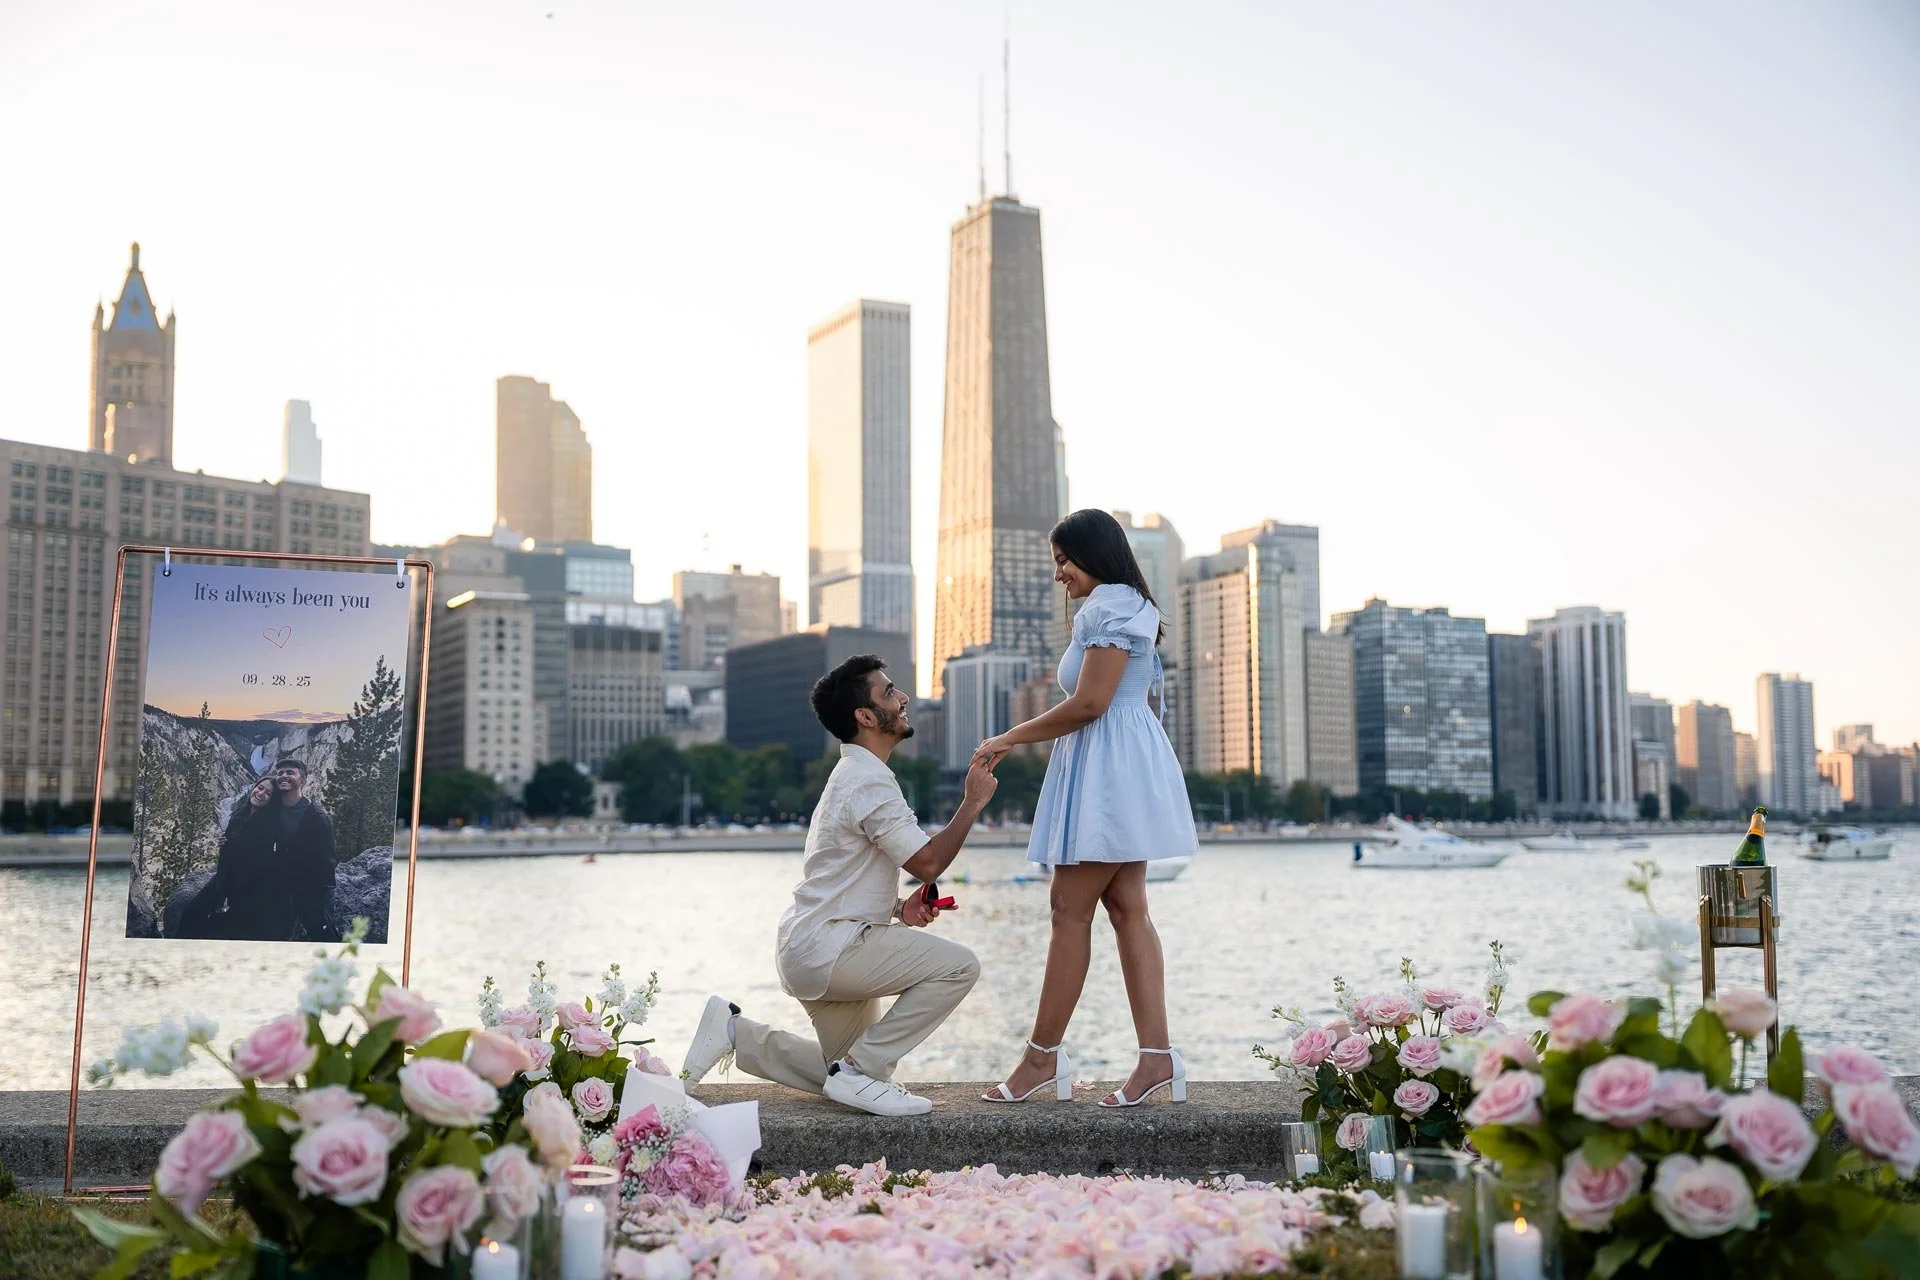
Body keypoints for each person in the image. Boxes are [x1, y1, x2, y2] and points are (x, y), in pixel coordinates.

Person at [679, 655, 999, 1117]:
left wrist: (897, 910)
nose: (904, 696)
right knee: (959, 967)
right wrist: (971, 802)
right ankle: (855, 1072)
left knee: (856, 1075)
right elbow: (928, 863)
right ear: (865, 717)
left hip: (811, 946)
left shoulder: (853, 776)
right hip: (831, 948)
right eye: (890, 692)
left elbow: (841, 872)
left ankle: (735, 1034)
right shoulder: (867, 780)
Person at [971, 508, 1199, 1107]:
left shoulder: (1107, 608)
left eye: (1063, 561)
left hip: (1107, 767)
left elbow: (1090, 703)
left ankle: (1040, 1060)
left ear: (1092, 555)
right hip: (1118, 761)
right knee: (1127, 908)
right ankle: (1157, 1060)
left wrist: (1007, 737)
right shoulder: (1131, 605)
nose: (1058, 575)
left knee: (1068, 909)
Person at [194, 758, 340, 942]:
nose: (284, 776)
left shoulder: (316, 817)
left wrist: (316, 897)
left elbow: (327, 862)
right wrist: (230, 841)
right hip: (277, 884)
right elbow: (251, 828)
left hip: (308, 888)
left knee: (322, 935)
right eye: (280, 773)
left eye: (290, 772)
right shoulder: (274, 808)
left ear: (303, 781)